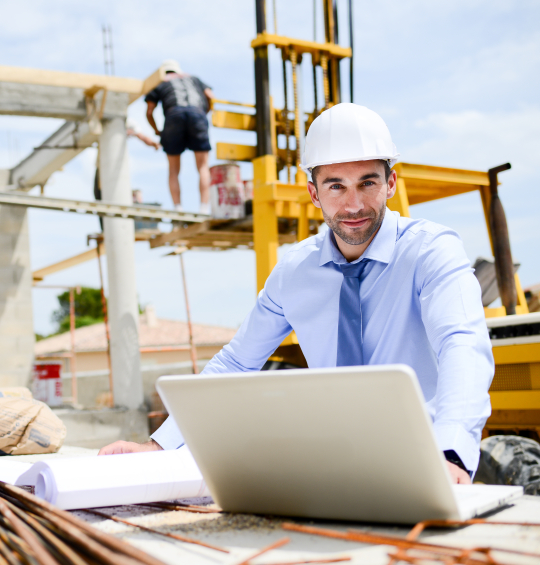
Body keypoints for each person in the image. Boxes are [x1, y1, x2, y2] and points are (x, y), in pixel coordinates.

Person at [99, 103, 495, 485]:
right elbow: (237, 363)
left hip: (426, 460)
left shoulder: (431, 251)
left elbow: (462, 344)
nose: (353, 204)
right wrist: (158, 445)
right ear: (313, 193)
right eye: (336, 186)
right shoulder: (294, 272)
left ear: (390, 183)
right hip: (336, 463)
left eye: (367, 183)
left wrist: (452, 454)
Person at [145, 59, 216, 214]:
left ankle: (178, 208)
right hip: (197, 114)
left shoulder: (161, 82)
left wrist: (157, 131)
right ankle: (204, 208)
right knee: (203, 166)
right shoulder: (194, 79)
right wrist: (203, 113)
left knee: (173, 170)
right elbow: (210, 96)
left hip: (173, 116)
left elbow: (149, 111)